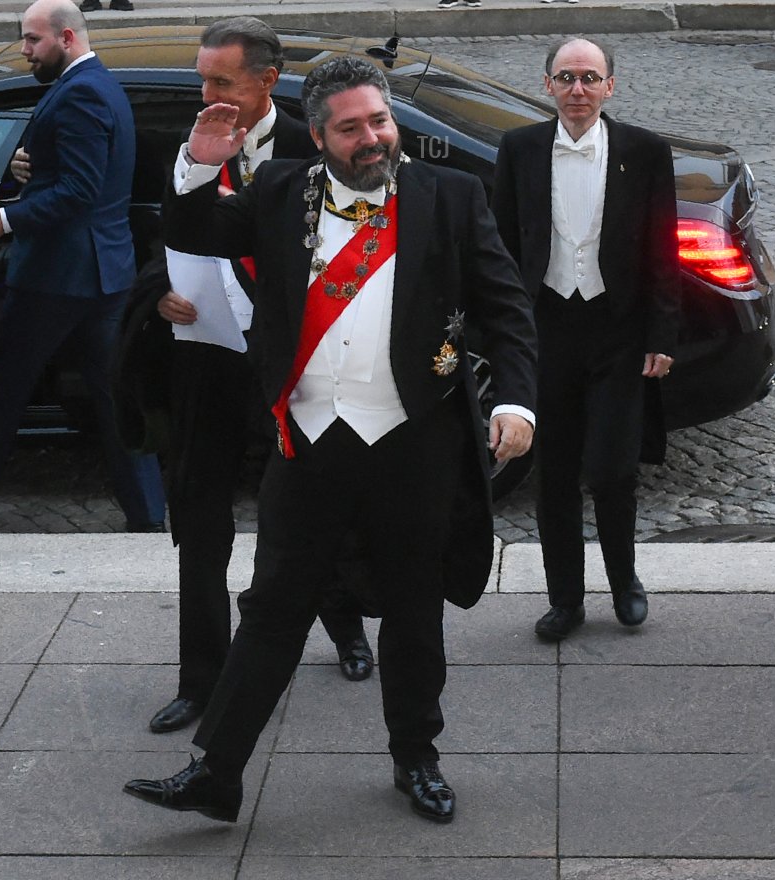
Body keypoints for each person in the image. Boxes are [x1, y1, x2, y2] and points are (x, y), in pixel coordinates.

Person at [124, 56, 537, 824]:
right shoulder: (279, 192)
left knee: (416, 612)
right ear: (318, 136)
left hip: (412, 444)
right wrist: (196, 169)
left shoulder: (450, 197)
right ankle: (216, 771)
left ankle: (418, 758)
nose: (372, 137)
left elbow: (507, 309)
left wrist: (515, 401)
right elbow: (198, 231)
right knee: (275, 608)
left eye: (380, 121)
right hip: (309, 441)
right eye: (351, 128)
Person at [132, 18, 375, 736]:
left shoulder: (316, 146)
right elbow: (167, 240)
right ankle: (201, 680)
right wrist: (158, 294)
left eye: (222, 82)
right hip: (206, 362)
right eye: (203, 78)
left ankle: (347, 629)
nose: (206, 94)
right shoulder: (194, 147)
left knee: (311, 511)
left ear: (267, 82)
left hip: (295, 365)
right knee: (200, 524)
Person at [0, 0, 165, 532]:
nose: (24, 50)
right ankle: (146, 512)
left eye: (32, 40)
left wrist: (5, 220)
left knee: (6, 387)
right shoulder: (98, 86)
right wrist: (34, 169)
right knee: (111, 395)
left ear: (67, 38)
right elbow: (78, 175)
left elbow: (79, 190)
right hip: (101, 270)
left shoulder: (81, 95)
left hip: (58, 274)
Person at [491, 37, 680, 641]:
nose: (578, 89)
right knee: (555, 472)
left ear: (609, 87)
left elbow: (662, 248)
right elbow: (500, 245)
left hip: (618, 332)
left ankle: (625, 583)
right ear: (548, 85)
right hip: (546, 331)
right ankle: (565, 600)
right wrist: (506, 332)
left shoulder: (645, 151)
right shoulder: (518, 148)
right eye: (567, 77)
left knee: (613, 469)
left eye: (589, 78)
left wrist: (661, 332)